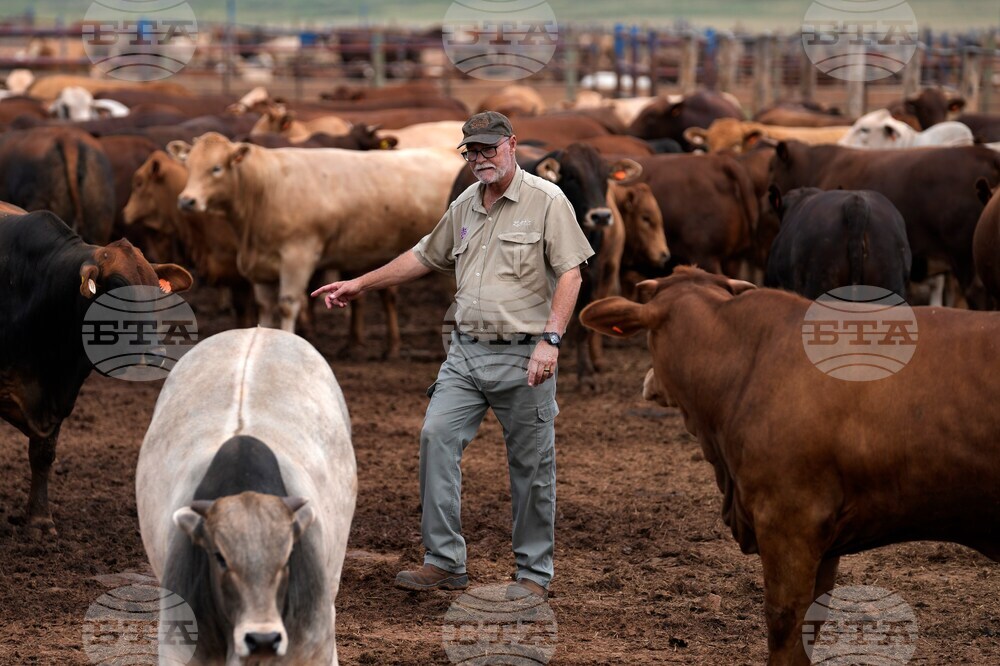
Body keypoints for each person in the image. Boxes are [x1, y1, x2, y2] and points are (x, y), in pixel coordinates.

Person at [311, 111, 593, 599]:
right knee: (435, 437)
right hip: (465, 352)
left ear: (511, 145)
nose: (480, 159)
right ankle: (444, 560)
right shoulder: (466, 204)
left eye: (488, 149)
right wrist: (361, 283)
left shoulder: (548, 201)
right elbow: (424, 255)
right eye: (471, 151)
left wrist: (551, 341)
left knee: (531, 466)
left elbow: (571, 273)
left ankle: (532, 575)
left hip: (525, 353)